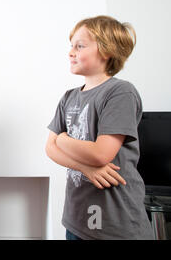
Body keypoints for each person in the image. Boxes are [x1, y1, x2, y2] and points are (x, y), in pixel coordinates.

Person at [45, 15, 153, 240]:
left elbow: (101, 154)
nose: (71, 52)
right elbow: (50, 148)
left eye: (80, 46)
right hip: (76, 219)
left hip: (115, 225)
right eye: (71, 46)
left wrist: (63, 139)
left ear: (106, 51)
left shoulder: (121, 92)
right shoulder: (68, 97)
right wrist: (85, 168)